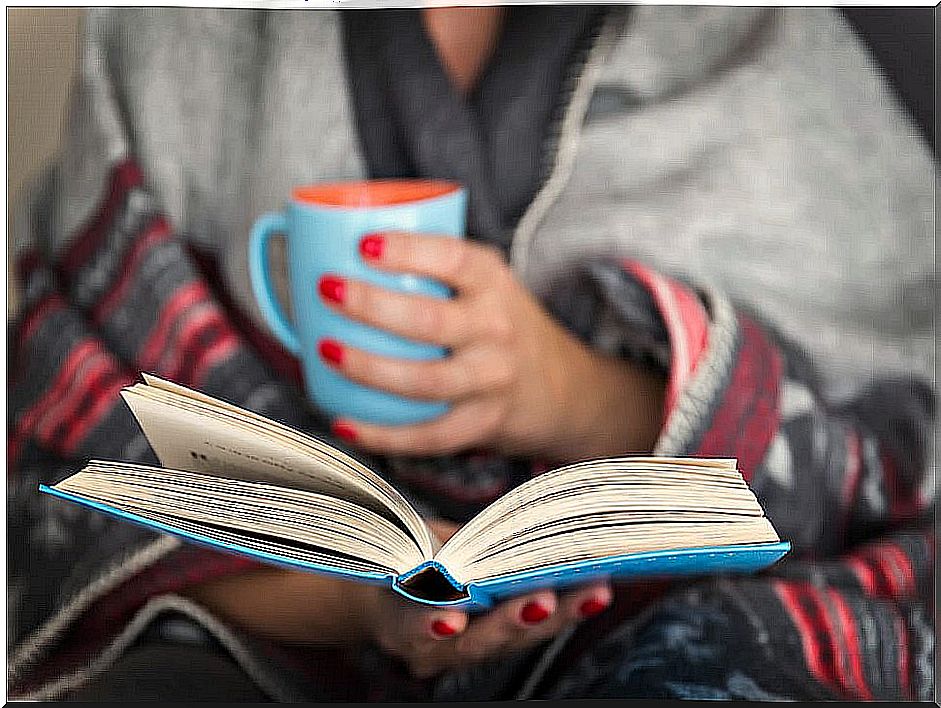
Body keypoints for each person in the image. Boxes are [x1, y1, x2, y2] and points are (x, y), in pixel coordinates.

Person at [7, 5, 934, 701]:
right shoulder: (168, 40)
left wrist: (574, 394)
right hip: (273, 640)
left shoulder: (773, 44)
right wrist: (363, 599)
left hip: (711, 612)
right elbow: (74, 459)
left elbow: (902, 449)